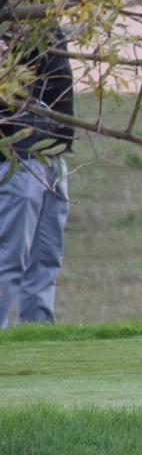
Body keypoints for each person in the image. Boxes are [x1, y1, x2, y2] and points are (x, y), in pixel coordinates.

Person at [0, 27, 75, 328]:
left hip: (53, 154)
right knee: (9, 256)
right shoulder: (8, 19)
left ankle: (37, 330)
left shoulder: (46, 21)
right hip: (18, 157)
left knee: (46, 256)